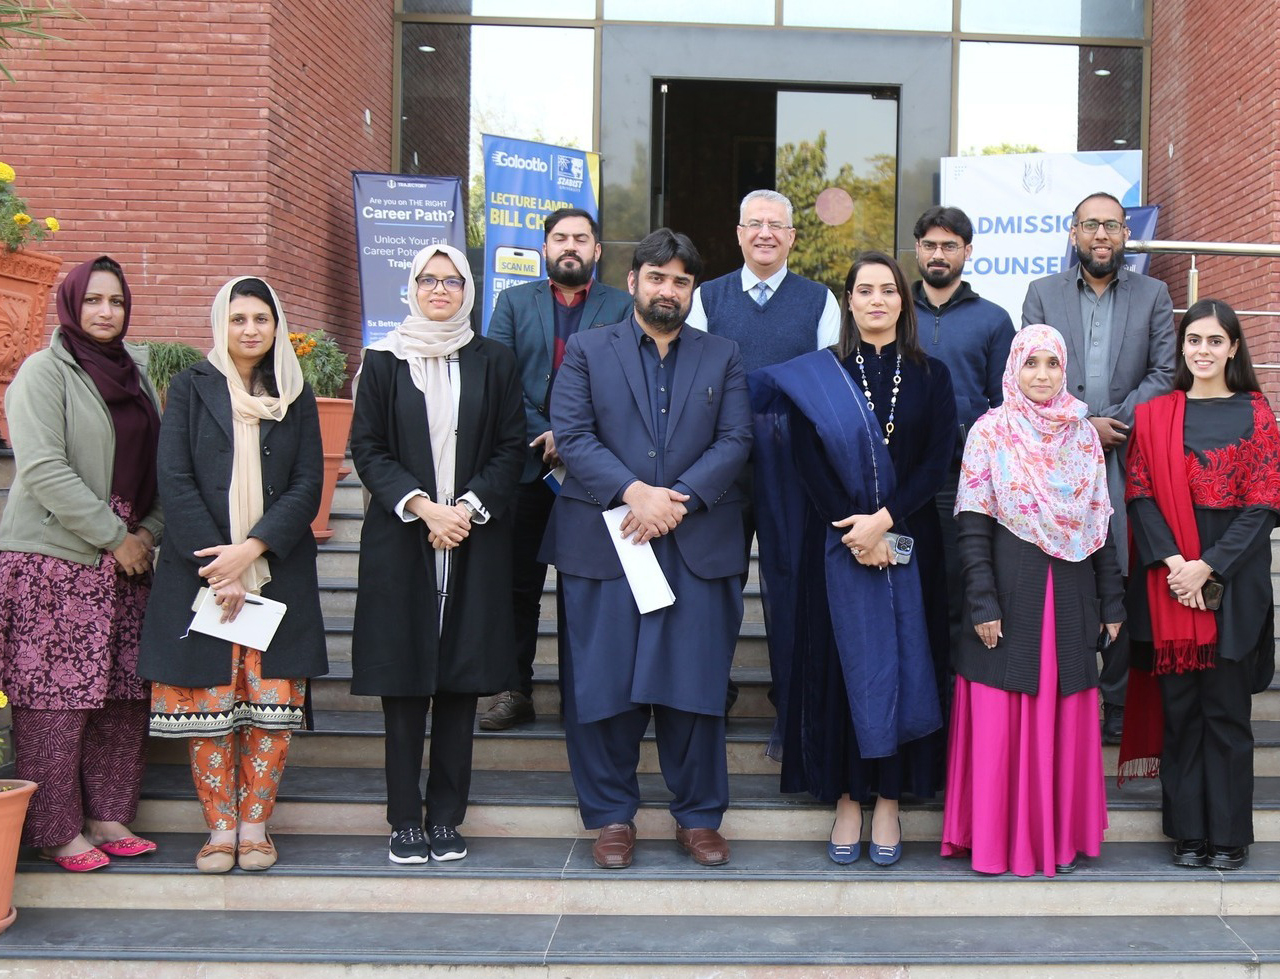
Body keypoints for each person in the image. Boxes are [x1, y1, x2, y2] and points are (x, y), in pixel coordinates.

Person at [546, 229, 751, 870]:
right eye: (657, 277)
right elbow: (572, 433)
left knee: (695, 683)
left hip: (695, 541)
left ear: (693, 291)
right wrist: (636, 493)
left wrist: (677, 500)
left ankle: (699, 816)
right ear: (632, 280)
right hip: (607, 542)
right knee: (603, 684)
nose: (668, 290)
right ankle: (611, 816)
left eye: (681, 281)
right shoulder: (587, 349)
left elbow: (736, 438)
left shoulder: (723, 355)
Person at [750, 251, 954, 866]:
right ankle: (845, 797)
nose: (876, 300)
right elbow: (806, 461)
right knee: (843, 671)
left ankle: (888, 799)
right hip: (835, 543)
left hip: (910, 543)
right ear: (849, 301)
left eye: (888, 290)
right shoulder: (821, 375)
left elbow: (938, 459)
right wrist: (854, 529)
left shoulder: (932, 375)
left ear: (903, 301)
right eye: (864, 290)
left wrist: (883, 521)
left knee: (903, 666)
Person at [139, 276, 326, 873]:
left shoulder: (295, 392)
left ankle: (255, 828)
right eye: (238, 318)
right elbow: (175, 480)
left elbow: (307, 484)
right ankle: (220, 830)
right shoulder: (190, 387)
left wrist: (251, 551)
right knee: (210, 711)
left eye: (261, 319)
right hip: (203, 576)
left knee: (270, 713)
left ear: (277, 327)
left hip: (276, 573)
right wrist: (221, 568)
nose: (250, 329)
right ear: (221, 323)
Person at [350, 244, 524, 866]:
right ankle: (404, 818)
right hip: (405, 537)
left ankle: (446, 816)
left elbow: (511, 445)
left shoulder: (494, 360)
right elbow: (368, 448)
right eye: (428, 280)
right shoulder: (383, 360)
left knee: (459, 685)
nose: (440, 290)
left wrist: (466, 509)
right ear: (413, 287)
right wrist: (424, 508)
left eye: (452, 281)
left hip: (472, 537)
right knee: (404, 687)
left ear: (468, 289)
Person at [940, 324, 1124, 877]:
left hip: (1069, 595)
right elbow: (973, 525)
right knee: (1001, 712)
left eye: (1052, 364)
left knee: (1062, 714)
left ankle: (1055, 840)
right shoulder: (991, 431)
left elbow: (1100, 524)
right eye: (1031, 363)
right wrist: (982, 602)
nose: (1042, 375)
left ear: (1065, 370)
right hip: (1008, 592)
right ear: (1013, 369)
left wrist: (1112, 601)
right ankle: (999, 841)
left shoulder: (1083, 436)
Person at [0, 256, 163, 872]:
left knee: (122, 697)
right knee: (54, 701)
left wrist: (145, 533)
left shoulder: (137, 377)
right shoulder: (43, 372)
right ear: (70, 304)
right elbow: (43, 469)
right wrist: (114, 536)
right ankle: (56, 830)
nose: (105, 311)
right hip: (55, 562)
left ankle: (108, 816)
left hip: (128, 565)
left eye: (116, 301)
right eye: (93, 300)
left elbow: (161, 471)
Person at [1122, 299, 1280, 871]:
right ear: (1181, 347)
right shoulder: (1154, 415)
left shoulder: (1257, 413)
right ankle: (1188, 832)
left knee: (1227, 712)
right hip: (1169, 581)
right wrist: (1176, 564)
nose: (1204, 351)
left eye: (1215, 341)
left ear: (1234, 347)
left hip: (1234, 578)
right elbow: (1140, 494)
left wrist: (1207, 566)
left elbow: (1265, 502)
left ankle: (1230, 835)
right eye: (1194, 340)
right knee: (1182, 710)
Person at [1022, 191, 1175, 743]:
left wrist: (1115, 423)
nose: (1101, 235)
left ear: (1126, 234)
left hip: (1129, 454)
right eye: (1091, 225)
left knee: (1123, 569)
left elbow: (1164, 371)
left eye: (1112, 225)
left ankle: (1115, 699)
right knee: (1065, 569)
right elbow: (1031, 373)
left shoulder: (1154, 295)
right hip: (1056, 456)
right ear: (1074, 233)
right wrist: (1085, 424)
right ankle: (1066, 690)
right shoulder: (1042, 294)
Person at [685, 189, 841, 709]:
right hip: (720, 468)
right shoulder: (707, 298)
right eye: (755, 224)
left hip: (793, 466)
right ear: (739, 234)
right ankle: (711, 692)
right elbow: (693, 382)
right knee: (716, 579)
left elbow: (828, 385)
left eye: (776, 225)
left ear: (792, 237)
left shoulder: (820, 301)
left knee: (791, 579)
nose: (765, 234)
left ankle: (791, 697)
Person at [480, 208, 632, 731]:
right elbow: (497, 378)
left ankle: (582, 696)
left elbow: (625, 384)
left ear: (597, 250)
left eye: (581, 239)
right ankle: (513, 691)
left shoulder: (622, 306)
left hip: (592, 475)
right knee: (516, 586)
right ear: (545, 247)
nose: (571, 246)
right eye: (561, 238)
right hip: (523, 469)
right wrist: (546, 431)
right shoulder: (513, 302)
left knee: (585, 588)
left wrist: (570, 436)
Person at [911, 205, 1015, 668]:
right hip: (901, 476)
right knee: (908, 588)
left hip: (963, 480)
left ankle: (957, 697)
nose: (938, 254)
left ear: (967, 251)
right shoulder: (895, 310)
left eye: (949, 246)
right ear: (917, 249)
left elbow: (1004, 406)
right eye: (930, 245)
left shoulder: (993, 320)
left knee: (958, 589)